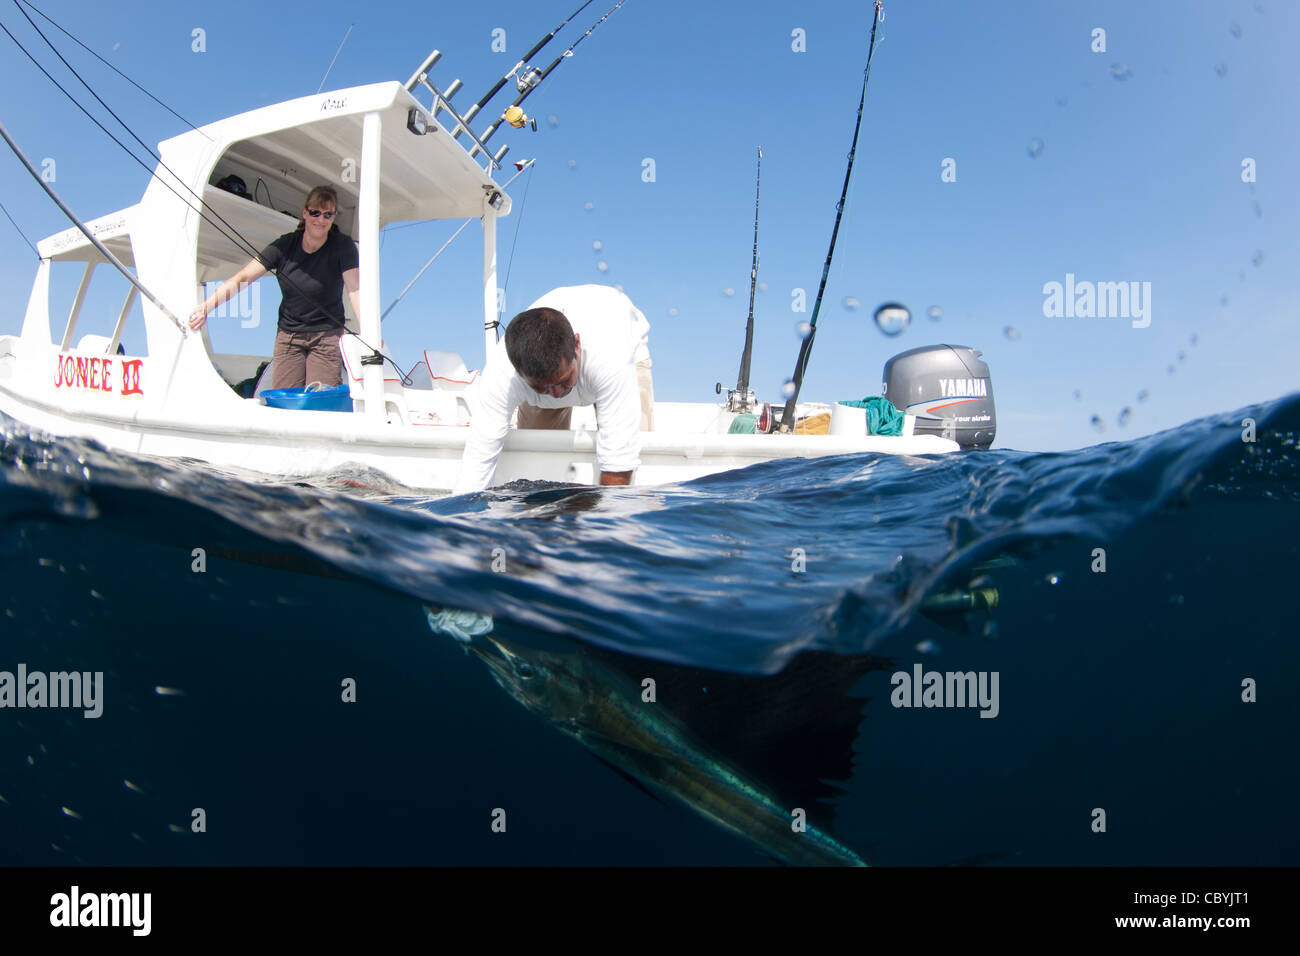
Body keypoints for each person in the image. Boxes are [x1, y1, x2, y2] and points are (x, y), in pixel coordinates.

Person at [452, 284, 653, 495]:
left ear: (576, 344)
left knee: (639, 464)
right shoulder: (501, 375)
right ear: (519, 373)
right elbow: (478, 460)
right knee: (534, 475)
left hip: (624, 347)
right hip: (550, 374)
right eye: (543, 387)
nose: (557, 395)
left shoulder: (611, 357)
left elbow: (620, 460)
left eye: (563, 381)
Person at [188, 185, 360, 390]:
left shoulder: (342, 246)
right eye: (315, 212)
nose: (320, 220)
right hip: (289, 334)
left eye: (327, 215)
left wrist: (369, 332)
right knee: (284, 399)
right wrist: (206, 307)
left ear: (333, 218)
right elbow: (243, 277)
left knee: (320, 397)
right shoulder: (285, 246)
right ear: (305, 213)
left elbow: (354, 288)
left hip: (327, 336)